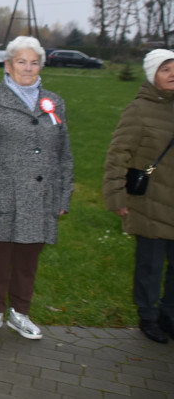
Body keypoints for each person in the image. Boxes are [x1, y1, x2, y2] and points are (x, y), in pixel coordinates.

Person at [0, 36, 73, 342]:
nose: (28, 68)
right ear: (8, 65)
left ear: (42, 65)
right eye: (21, 62)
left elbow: (65, 152)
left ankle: (20, 314)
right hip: (2, 194)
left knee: (29, 258)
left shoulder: (54, 102)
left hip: (42, 196)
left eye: (34, 62)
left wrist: (64, 193)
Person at [103, 48, 174, 344]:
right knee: (151, 265)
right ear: (152, 74)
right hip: (150, 203)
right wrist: (116, 198)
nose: (172, 75)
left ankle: (168, 314)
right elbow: (118, 155)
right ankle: (147, 315)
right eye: (166, 69)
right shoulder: (139, 109)